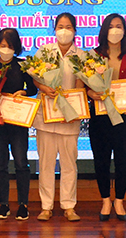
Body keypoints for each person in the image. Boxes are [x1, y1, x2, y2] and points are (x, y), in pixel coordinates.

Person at [87, 13, 126, 222]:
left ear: (124, 30)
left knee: (123, 160)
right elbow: (84, 85)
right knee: (101, 161)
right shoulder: (93, 55)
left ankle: (119, 200)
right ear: (104, 30)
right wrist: (89, 93)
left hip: (125, 117)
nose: (115, 30)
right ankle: (105, 200)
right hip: (100, 116)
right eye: (111, 26)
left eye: (119, 26)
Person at [32, 12, 86, 222]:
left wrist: (75, 107)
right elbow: (35, 78)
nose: (64, 31)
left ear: (75, 30)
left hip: (70, 117)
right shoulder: (44, 51)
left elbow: (81, 84)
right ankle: (46, 206)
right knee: (45, 163)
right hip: (47, 115)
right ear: (54, 29)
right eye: (60, 27)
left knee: (69, 164)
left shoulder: (81, 55)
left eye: (68, 27)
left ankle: (69, 206)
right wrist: (44, 87)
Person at [0, 28, 37, 220]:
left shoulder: (22, 65)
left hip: (18, 121)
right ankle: (3, 204)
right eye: (2, 45)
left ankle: (23, 204)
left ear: (16, 47)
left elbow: (33, 89)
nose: (6, 49)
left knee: (21, 162)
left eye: (9, 46)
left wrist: (23, 93)